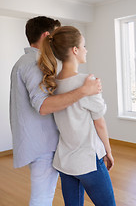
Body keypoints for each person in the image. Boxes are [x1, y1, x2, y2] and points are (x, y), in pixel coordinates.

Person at [10, 16, 102, 206]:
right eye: (56, 35)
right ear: (46, 36)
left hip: (42, 142)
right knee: (42, 196)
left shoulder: (25, 61)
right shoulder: (33, 63)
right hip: (43, 145)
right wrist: (84, 91)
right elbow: (43, 106)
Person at [38, 26, 116, 206]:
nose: (86, 50)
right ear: (75, 50)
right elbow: (100, 123)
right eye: (84, 46)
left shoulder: (52, 83)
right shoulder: (87, 82)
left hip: (65, 162)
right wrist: (108, 151)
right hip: (89, 161)